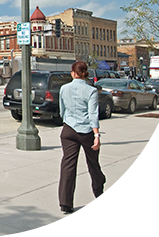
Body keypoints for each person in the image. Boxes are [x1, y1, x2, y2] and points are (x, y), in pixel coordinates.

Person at [58, 61, 106, 213]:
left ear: (73, 73)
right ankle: (99, 193)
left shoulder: (64, 88)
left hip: (68, 129)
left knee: (68, 165)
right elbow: (93, 114)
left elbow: (62, 110)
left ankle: (65, 203)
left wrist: (68, 121)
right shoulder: (91, 90)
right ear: (85, 74)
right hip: (86, 131)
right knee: (93, 163)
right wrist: (97, 135)